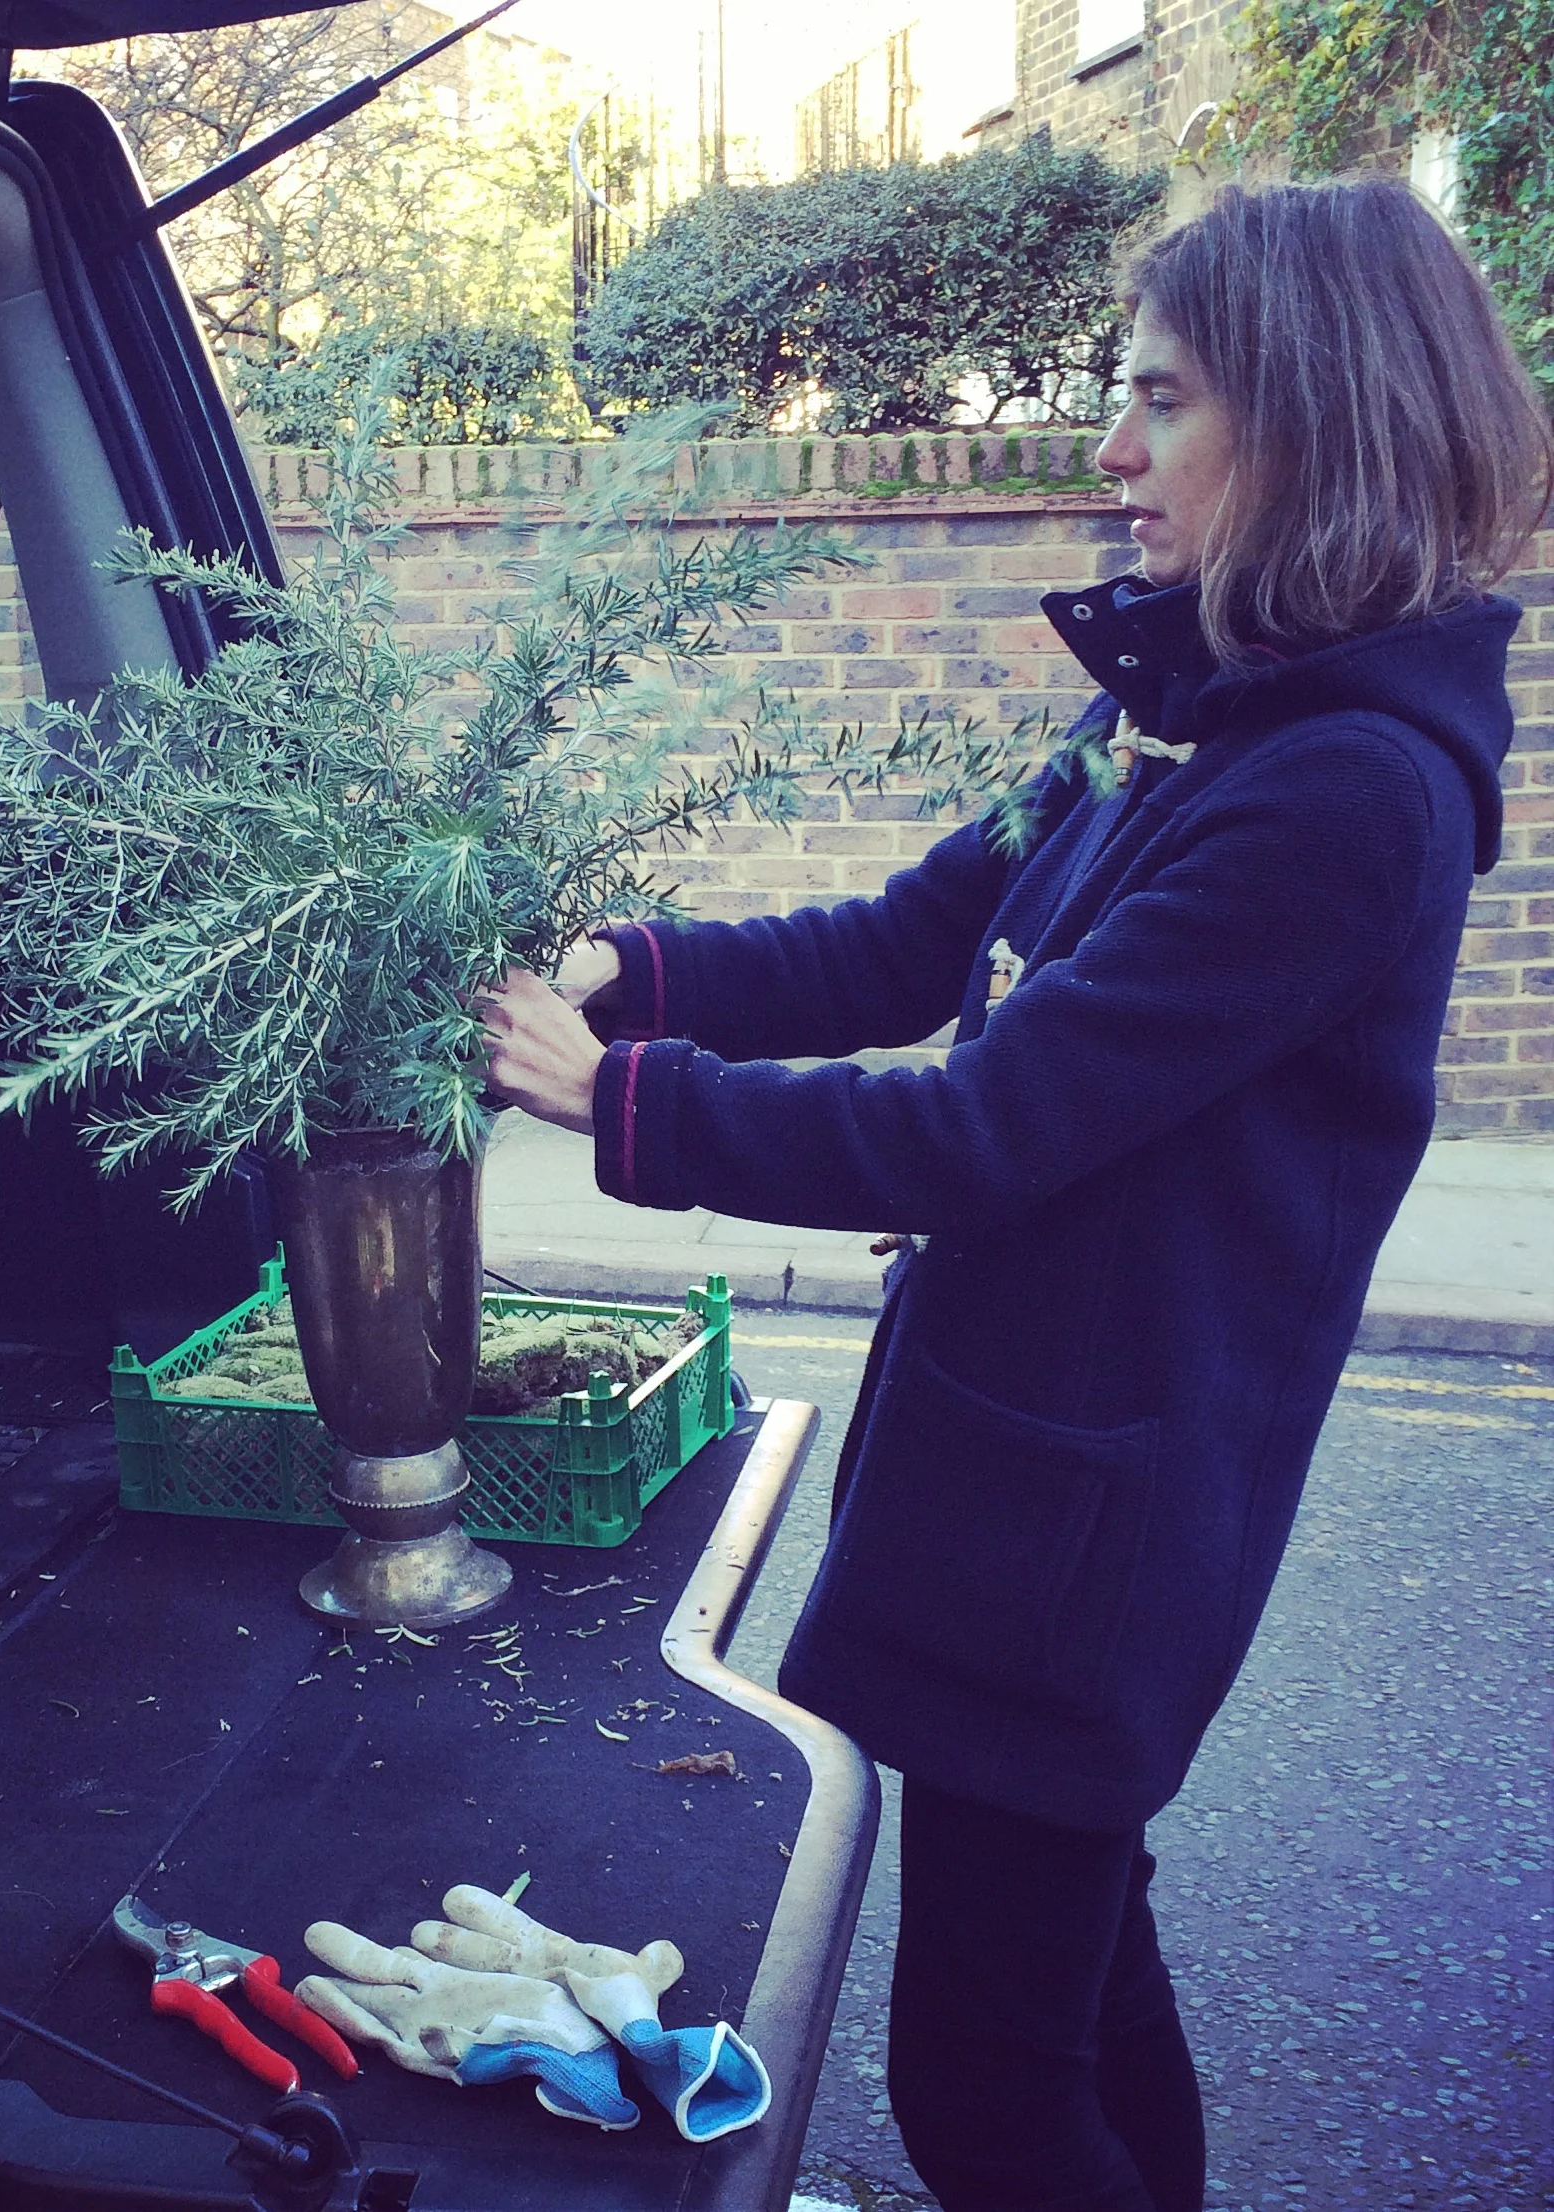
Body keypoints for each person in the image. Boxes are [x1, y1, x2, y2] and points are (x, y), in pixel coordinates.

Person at [478, 175, 1551, 2212]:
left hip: (1095, 1541)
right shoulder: (1170, 706)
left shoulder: (1342, 793)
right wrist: (644, 962)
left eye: (1158, 400)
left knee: (980, 2090)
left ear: (1306, 422)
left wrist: (622, 1103)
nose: (1105, 448)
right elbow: (907, 941)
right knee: (1073, 1993)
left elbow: (978, 1123)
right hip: (1020, 1482)